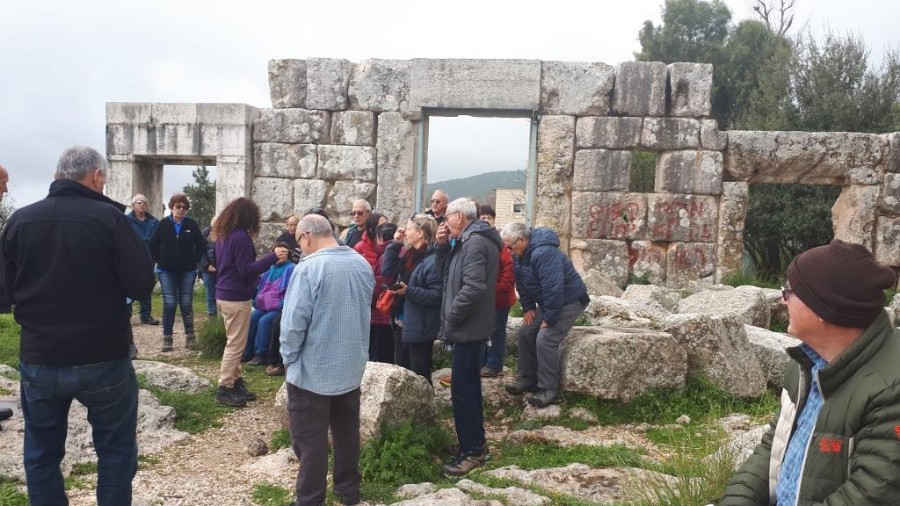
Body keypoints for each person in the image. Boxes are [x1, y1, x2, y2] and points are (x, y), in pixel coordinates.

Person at [0, 145, 155, 505]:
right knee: (115, 451)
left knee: (40, 453)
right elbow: (141, 284)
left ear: (57, 176)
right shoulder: (110, 219)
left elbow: (4, 294)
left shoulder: (20, 221)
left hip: (40, 355)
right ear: (97, 177)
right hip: (103, 355)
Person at [718, 240, 900, 505]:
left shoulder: (891, 387)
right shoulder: (806, 363)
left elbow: (873, 493)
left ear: (824, 307)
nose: (783, 299)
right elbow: (773, 448)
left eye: (789, 290)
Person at [281, 214, 373, 506]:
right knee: (347, 433)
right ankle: (348, 491)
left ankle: (310, 499)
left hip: (313, 369)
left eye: (299, 241)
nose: (300, 248)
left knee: (309, 439)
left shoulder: (309, 268)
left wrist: (289, 358)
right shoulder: (361, 263)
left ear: (306, 236)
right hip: (351, 365)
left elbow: (294, 323)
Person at [435, 197, 501, 477]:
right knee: (467, 387)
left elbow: (473, 288)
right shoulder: (468, 240)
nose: (444, 222)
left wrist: (452, 316)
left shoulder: (474, 242)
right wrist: (440, 246)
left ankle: (472, 451)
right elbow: (446, 274)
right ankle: (472, 443)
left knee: (463, 390)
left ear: (459, 216)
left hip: (468, 327)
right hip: (469, 327)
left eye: (447, 216)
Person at [502, 222, 588, 408]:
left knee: (546, 338)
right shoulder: (519, 254)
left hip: (570, 300)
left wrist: (549, 318)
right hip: (550, 302)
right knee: (525, 332)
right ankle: (527, 378)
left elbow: (553, 288)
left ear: (523, 240)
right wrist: (528, 308)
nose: (508, 251)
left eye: (510, 246)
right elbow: (522, 284)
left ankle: (549, 389)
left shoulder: (544, 253)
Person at [212, 197, 288, 407]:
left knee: (233, 340)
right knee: (236, 344)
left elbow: (229, 266)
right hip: (236, 297)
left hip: (224, 293)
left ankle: (236, 382)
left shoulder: (223, 236)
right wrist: (273, 257)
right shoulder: (241, 238)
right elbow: (246, 269)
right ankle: (224, 386)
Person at [382, 214, 441, 383]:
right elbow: (387, 272)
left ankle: (424, 408)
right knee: (402, 373)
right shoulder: (410, 255)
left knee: (419, 375)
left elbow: (436, 296)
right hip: (401, 322)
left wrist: (408, 292)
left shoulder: (432, 260)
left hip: (420, 327)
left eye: (408, 229)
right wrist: (395, 244)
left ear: (420, 232)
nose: (405, 232)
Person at [149, 193, 207, 352]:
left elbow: (201, 245)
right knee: (169, 303)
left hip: (188, 271)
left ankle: (190, 337)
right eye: (178, 207)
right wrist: (159, 260)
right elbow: (152, 244)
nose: (181, 210)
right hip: (166, 271)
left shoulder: (191, 225)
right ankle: (167, 338)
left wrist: (194, 259)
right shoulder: (162, 225)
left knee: (186, 303)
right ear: (171, 208)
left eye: (184, 207)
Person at [242, 242, 295, 366]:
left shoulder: (292, 268)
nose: (279, 256)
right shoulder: (269, 268)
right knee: (251, 319)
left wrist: (282, 304)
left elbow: (291, 291)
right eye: (277, 253)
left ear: (288, 255)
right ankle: (246, 352)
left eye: (283, 253)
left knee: (264, 322)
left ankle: (260, 354)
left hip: (279, 308)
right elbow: (261, 288)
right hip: (263, 306)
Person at [479, 205, 516, 378]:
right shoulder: (477, 240)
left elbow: (509, 268)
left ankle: (494, 364)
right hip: (483, 297)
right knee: (484, 330)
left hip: (498, 297)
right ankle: (483, 363)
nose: (485, 220)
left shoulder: (500, 243)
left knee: (496, 330)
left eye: (489, 217)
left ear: (494, 221)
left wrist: (499, 289)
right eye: (483, 217)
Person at [361, 219, 398, 363]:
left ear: (379, 237)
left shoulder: (385, 256)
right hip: (387, 313)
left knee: (380, 357)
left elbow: (381, 282)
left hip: (380, 312)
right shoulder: (401, 251)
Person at [126, 193, 160, 325]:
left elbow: (157, 241)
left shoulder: (154, 222)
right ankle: (126, 314)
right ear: (133, 205)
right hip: (131, 258)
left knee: (146, 285)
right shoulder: (126, 221)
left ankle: (146, 315)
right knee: (128, 285)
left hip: (148, 259)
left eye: (144, 202)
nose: (142, 205)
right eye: (139, 202)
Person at [199, 222, 218, 317]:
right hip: (207, 269)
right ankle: (212, 316)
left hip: (221, 269)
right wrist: (207, 265)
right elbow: (200, 251)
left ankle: (222, 317)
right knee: (210, 294)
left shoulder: (226, 233)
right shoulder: (205, 233)